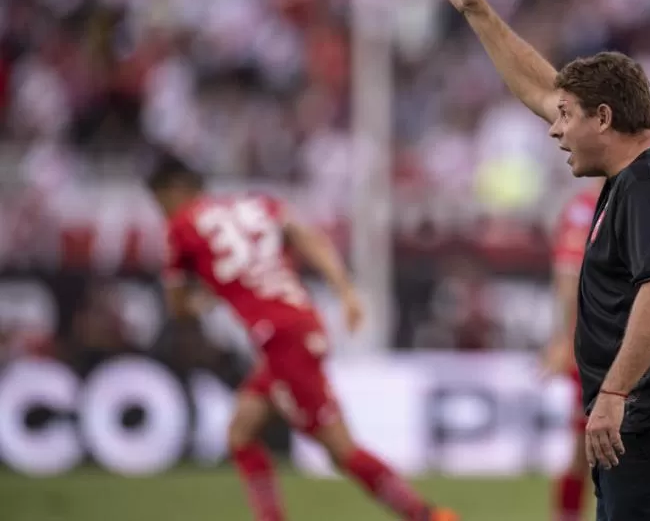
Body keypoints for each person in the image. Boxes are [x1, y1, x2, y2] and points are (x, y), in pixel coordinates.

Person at [426, 0, 650, 521]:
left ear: (605, 118)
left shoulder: (647, 185)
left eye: (568, 117)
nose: (553, 129)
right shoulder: (646, 165)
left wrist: (615, 393)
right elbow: (543, 90)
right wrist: (478, 12)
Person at [146, 154, 458, 521]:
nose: (161, 211)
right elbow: (306, 237)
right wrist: (345, 289)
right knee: (241, 432)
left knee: (339, 448)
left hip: (280, 338)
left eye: (160, 202)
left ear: (175, 191)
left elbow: (179, 307)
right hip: (298, 323)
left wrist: (208, 294)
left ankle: (428, 516)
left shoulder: (181, 227)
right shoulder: (254, 204)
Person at [543, 179, 603, 521]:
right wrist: (564, 339)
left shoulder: (644, 198)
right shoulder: (585, 208)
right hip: (594, 345)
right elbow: (568, 275)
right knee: (587, 446)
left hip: (635, 341)